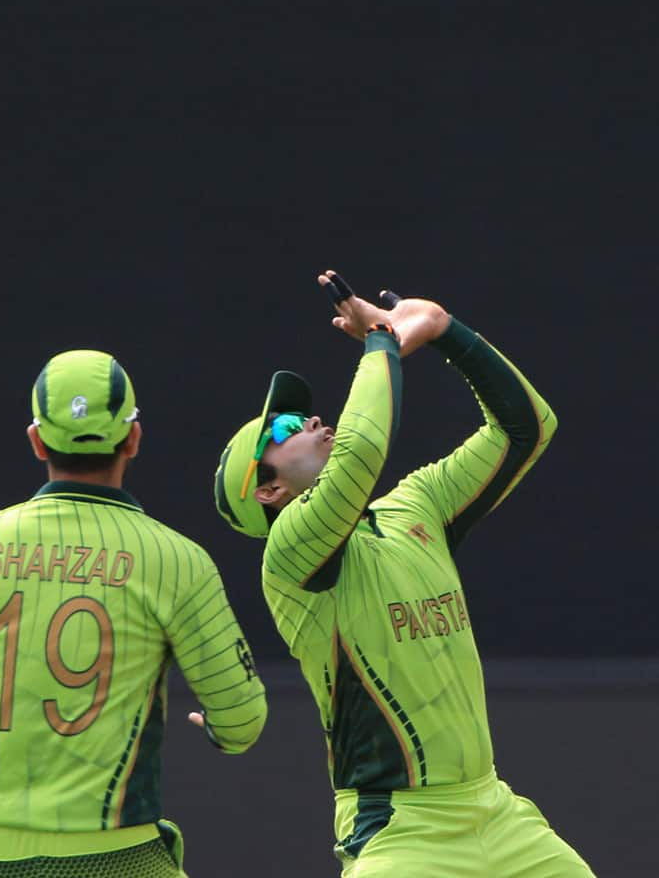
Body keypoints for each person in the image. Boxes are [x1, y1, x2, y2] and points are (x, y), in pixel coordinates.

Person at [214, 270, 595, 877]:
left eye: (302, 415)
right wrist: (383, 339)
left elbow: (528, 428)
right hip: (401, 833)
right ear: (268, 490)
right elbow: (363, 450)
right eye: (283, 429)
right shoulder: (290, 553)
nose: (309, 421)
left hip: (497, 810)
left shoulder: (413, 508)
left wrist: (447, 332)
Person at [0, 349, 267, 878]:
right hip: (116, 849)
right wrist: (216, 728)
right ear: (134, 438)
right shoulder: (177, 559)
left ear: (36, 441)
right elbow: (242, 723)